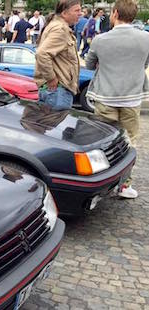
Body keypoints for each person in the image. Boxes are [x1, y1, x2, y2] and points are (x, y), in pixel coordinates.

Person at [84, 0, 149, 198]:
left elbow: (89, 65)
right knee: (130, 142)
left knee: (103, 141)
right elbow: (145, 63)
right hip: (132, 98)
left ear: (115, 14)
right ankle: (124, 185)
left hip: (106, 97)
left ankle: (103, 181)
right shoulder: (146, 38)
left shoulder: (101, 39)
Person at [34, 0, 82, 110]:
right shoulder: (60, 29)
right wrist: (51, 79)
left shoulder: (57, 26)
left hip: (56, 92)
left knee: (48, 125)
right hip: (58, 92)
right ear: (64, 13)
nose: (80, 13)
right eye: (77, 10)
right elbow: (42, 54)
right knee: (57, 126)